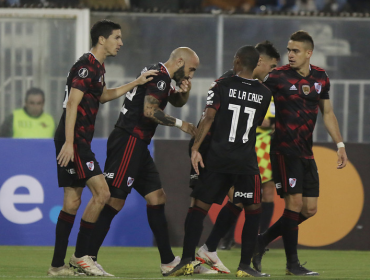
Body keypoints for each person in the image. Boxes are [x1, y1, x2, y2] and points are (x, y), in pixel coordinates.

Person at [48, 19, 157, 277]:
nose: (121, 42)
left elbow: (103, 95)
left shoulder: (98, 67)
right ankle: (81, 256)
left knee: (72, 202)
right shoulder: (86, 66)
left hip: (77, 140)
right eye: (117, 37)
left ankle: (56, 266)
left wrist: (136, 82)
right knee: (102, 193)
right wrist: (69, 143)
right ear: (102, 39)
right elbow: (72, 104)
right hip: (74, 140)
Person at [87, 47, 199, 277]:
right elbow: (150, 111)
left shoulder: (161, 76)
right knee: (114, 201)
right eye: (191, 70)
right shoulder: (159, 77)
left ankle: (168, 261)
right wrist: (182, 125)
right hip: (129, 139)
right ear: (179, 61)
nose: (191, 75)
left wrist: (184, 92)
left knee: (157, 197)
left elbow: (174, 102)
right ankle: (87, 257)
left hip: (138, 143)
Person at [166, 45, 272, 277]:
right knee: (254, 209)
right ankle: (244, 267)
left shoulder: (221, 85)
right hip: (245, 161)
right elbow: (255, 123)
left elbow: (209, 117)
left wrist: (195, 148)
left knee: (198, 207)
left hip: (217, 157)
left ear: (236, 62)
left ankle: (186, 260)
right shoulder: (265, 93)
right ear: (255, 66)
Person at [252, 30, 348, 276]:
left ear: (308, 53)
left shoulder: (321, 77)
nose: (290, 55)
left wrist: (340, 145)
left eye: (295, 50)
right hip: (284, 150)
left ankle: (262, 241)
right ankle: (292, 265)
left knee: (309, 209)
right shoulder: (277, 77)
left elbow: (327, 113)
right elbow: (253, 87)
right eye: (288, 50)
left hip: (306, 152)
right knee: (293, 204)